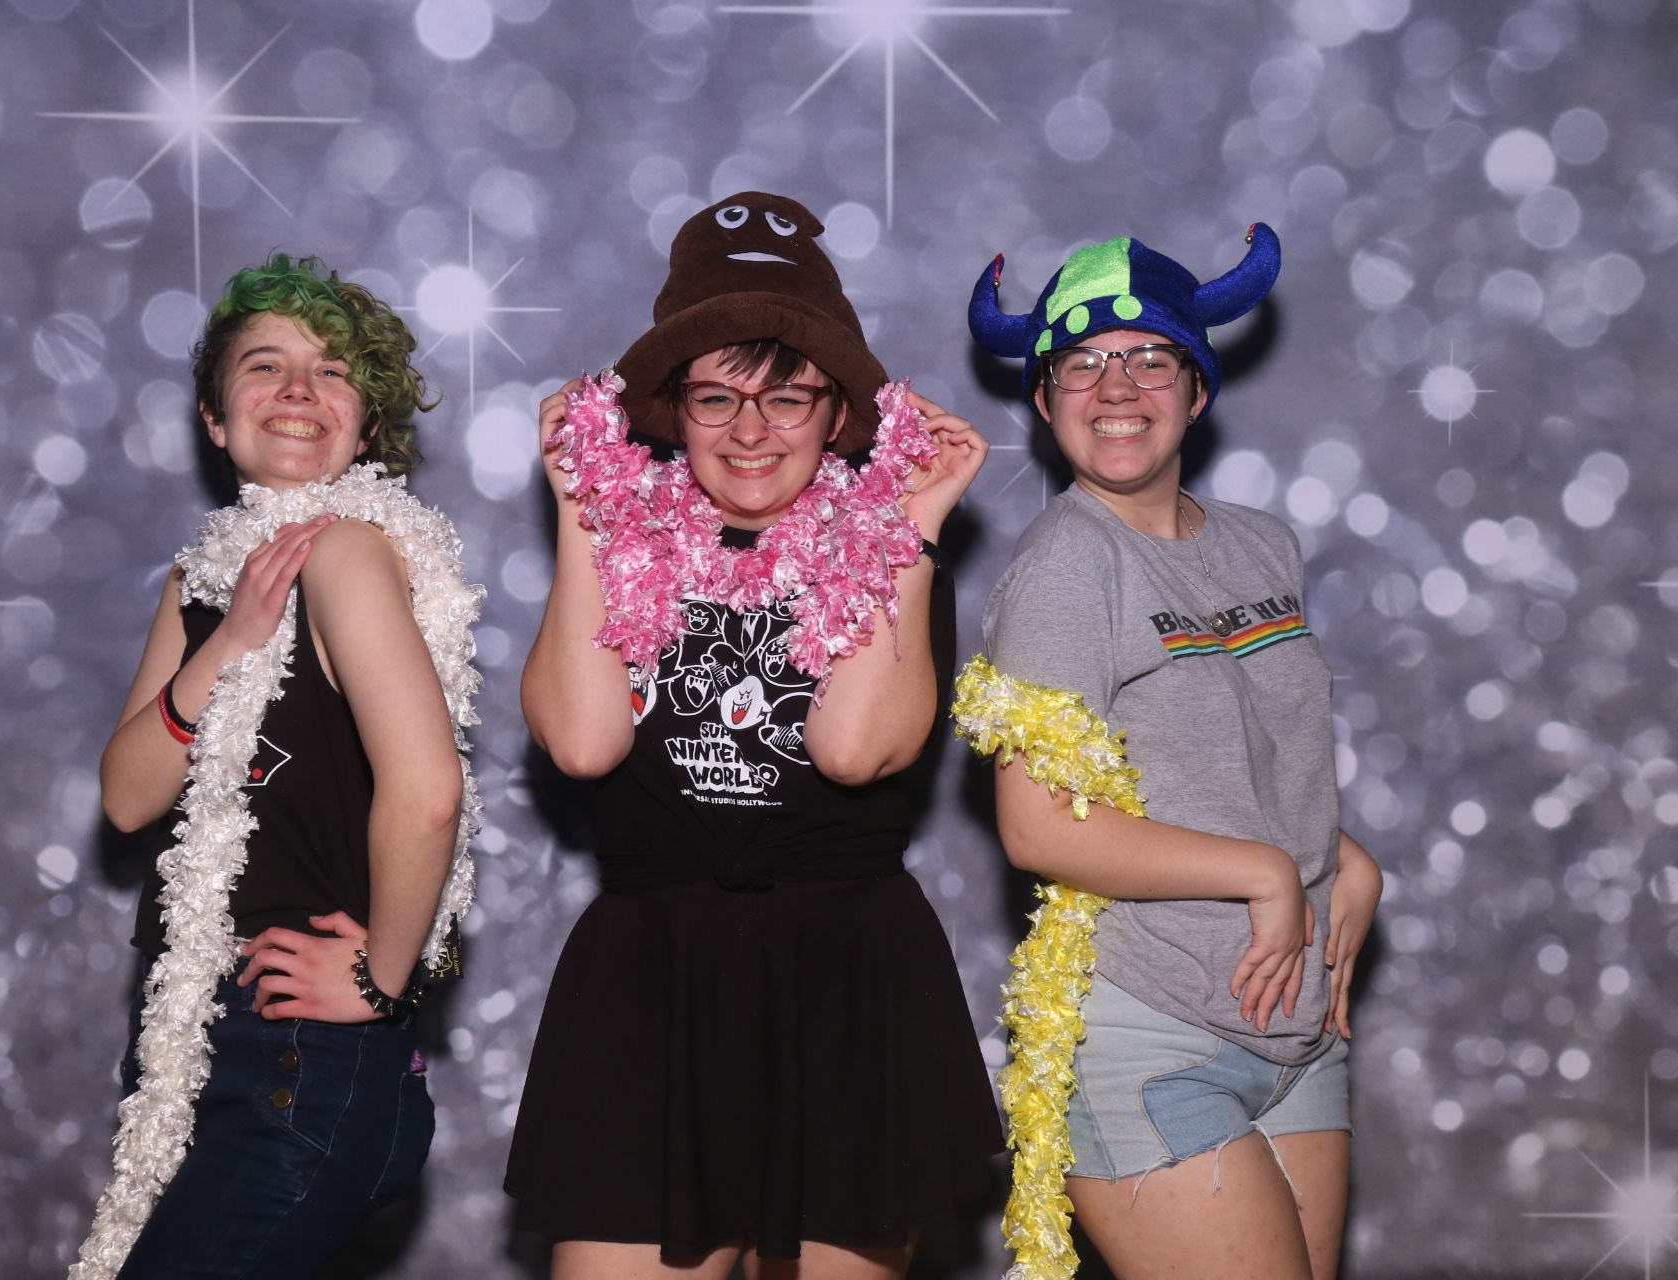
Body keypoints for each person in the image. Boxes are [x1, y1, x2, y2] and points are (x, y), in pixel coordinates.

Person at [507, 193, 1002, 1279]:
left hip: (844, 987)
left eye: (786, 396)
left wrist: (911, 528)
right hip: (653, 983)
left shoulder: (893, 547)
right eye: (716, 396)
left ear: (837, 413)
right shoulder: (618, 534)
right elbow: (582, 745)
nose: (749, 430)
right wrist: (582, 505)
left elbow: (856, 752)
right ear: (672, 409)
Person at [959, 227, 1382, 1280]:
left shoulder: (1261, 544)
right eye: (1082, 363)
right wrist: (1266, 872)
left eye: (1151, 358)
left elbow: (1234, 751)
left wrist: (1340, 857)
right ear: (1045, 398)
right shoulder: (1067, 566)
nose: (1117, 387)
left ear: (1197, 391)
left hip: (1294, 1029)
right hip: (1153, 1025)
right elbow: (1038, 825)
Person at [72, 253, 484, 1280]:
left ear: (367, 427)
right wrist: (232, 638)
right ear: (214, 419)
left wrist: (382, 982)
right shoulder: (203, 580)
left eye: (333, 370)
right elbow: (127, 797)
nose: (299, 388)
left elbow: (430, 792)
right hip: (203, 1042)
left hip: (300, 1058)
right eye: (265, 364)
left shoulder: (348, 551)